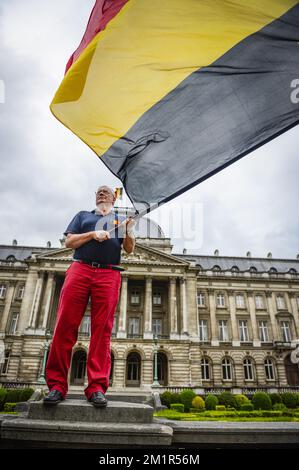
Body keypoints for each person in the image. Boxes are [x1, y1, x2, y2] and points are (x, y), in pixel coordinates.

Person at [44, 185, 135, 407]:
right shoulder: (82, 216)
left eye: (106, 192)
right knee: (65, 325)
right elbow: (69, 242)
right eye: (98, 192)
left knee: (102, 331)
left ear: (114, 198)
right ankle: (56, 385)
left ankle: (96, 387)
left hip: (109, 272)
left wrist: (129, 231)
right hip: (80, 269)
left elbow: (129, 249)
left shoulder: (119, 221)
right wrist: (92, 234)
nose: (102, 193)